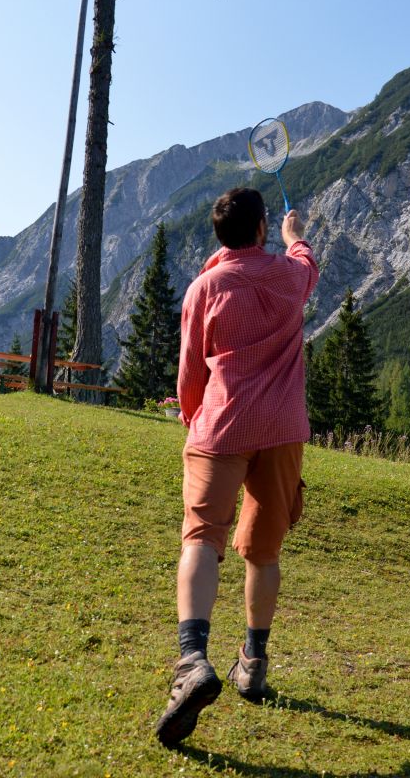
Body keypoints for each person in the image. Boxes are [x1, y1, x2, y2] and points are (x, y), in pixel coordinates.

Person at [155, 187, 319, 748]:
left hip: (221, 424)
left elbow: (189, 374)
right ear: (261, 229)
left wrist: (194, 420)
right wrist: (297, 236)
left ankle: (192, 659)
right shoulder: (287, 276)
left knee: (201, 537)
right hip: (281, 430)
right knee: (264, 550)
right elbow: (305, 262)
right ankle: (252, 661)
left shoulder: (204, 288)